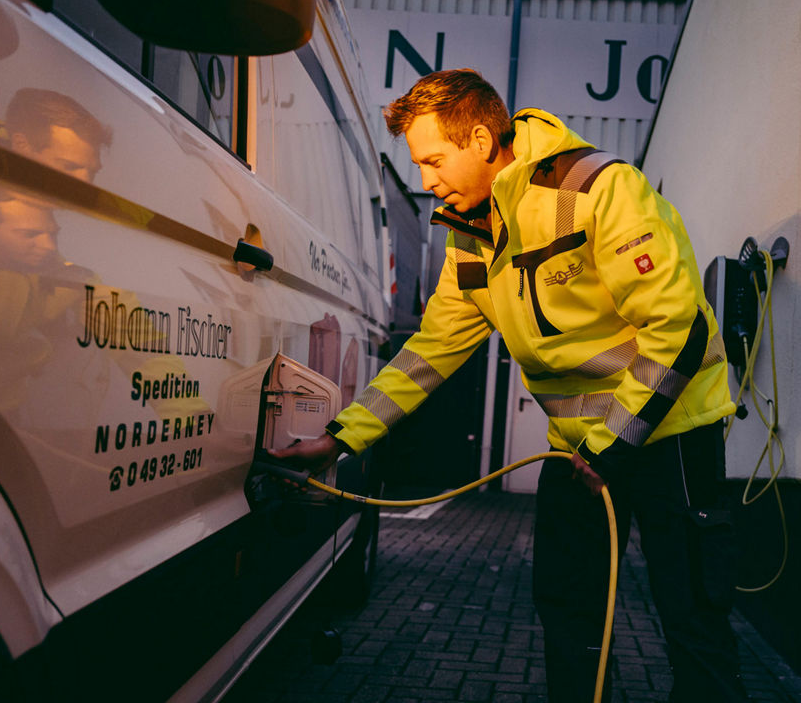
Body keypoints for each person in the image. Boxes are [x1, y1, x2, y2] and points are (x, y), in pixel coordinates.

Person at [267, 69, 747, 702]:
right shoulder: (468, 232)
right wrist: (341, 438)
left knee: (691, 614)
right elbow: (430, 352)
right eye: (419, 164)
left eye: (434, 160)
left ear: (483, 139)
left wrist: (615, 442)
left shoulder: (601, 188)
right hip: (575, 449)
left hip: (671, 432)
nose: (425, 180)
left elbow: (678, 328)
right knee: (567, 609)